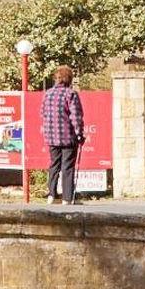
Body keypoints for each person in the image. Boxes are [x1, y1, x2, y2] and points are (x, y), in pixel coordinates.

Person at [40, 64, 85, 206]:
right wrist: (80, 134)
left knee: (54, 165)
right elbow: (76, 116)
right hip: (68, 137)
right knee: (67, 167)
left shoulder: (48, 94)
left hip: (51, 137)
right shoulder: (70, 94)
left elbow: (43, 113)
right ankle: (67, 198)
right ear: (69, 79)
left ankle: (51, 195)